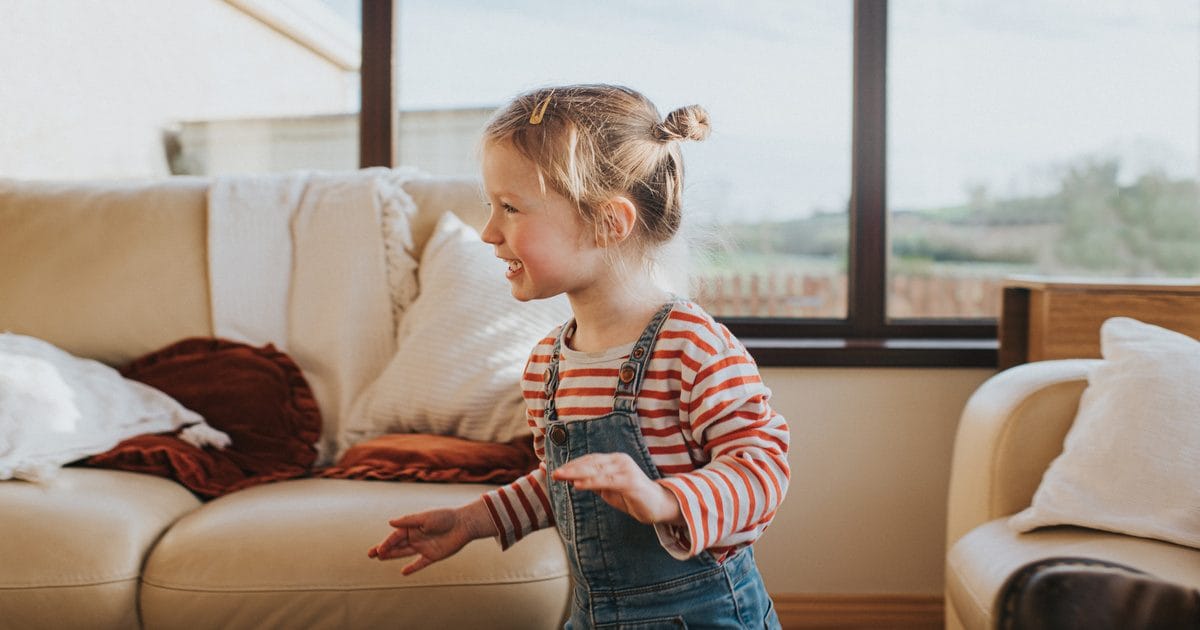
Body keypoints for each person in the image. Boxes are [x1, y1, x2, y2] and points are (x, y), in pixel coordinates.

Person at [368, 84, 790, 629]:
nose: (489, 232)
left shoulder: (693, 345)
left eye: (511, 208)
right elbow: (565, 483)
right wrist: (475, 520)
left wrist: (664, 499)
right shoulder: (547, 363)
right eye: (491, 207)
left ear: (608, 222)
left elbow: (762, 470)